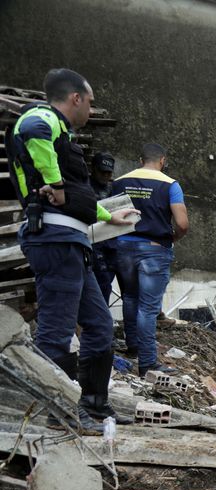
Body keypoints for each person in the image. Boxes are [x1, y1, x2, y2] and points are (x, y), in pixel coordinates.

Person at [8, 69, 139, 430]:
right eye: (90, 101)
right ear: (76, 98)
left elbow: (79, 202)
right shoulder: (43, 118)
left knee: (98, 326)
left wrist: (111, 217)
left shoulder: (62, 134)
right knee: (56, 332)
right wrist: (54, 182)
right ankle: (58, 413)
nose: (91, 109)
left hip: (72, 244)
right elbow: (33, 132)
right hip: (54, 240)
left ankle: (94, 405)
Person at [110, 143, 189, 376]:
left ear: (140, 159)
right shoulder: (170, 184)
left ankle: (133, 346)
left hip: (123, 247)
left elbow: (109, 215)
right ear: (162, 160)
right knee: (148, 307)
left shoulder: (119, 182)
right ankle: (147, 362)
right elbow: (182, 224)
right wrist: (173, 237)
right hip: (154, 249)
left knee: (130, 298)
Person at [88, 152, 119, 303]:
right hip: (92, 242)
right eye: (102, 172)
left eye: (108, 172)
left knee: (106, 283)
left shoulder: (113, 188)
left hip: (111, 242)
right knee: (101, 284)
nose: (105, 176)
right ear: (93, 169)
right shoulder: (85, 186)